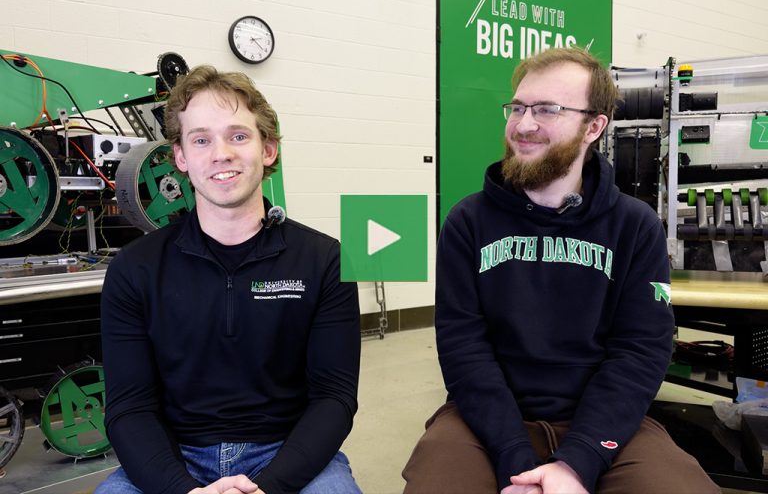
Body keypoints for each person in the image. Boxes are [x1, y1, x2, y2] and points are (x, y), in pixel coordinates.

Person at [402, 48, 719, 494]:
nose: (523, 124)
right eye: (518, 107)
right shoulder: (467, 222)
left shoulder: (635, 226)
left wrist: (577, 462)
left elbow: (640, 351)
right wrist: (514, 456)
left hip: (601, 422)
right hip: (487, 422)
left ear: (594, 127)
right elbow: (463, 349)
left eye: (547, 109)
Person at [96, 65, 362, 494]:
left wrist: (271, 486)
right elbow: (129, 408)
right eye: (201, 140)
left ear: (268, 149)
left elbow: (334, 398)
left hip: (287, 453)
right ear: (181, 157)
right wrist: (182, 490)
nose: (221, 153)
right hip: (174, 457)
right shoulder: (135, 268)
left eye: (238, 136)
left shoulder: (322, 259)